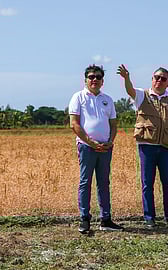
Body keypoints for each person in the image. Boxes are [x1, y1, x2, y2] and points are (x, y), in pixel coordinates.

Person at [117, 64, 168, 228]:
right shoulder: (142, 95)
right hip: (147, 145)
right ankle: (149, 217)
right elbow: (130, 90)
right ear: (152, 80)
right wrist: (126, 78)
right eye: (157, 78)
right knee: (147, 183)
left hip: (166, 147)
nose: (159, 81)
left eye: (163, 79)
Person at [69, 64, 124, 234]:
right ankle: (85, 218)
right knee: (85, 182)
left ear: (102, 81)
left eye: (98, 77)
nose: (94, 80)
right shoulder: (78, 97)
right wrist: (91, 142)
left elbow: (114, 125)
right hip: (87, 147)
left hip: (106, 148)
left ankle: (105, 219)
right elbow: (74, 124)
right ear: (85, 79)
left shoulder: (107, 99)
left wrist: (110, 141)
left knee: (103, 183)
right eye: (91, 77)